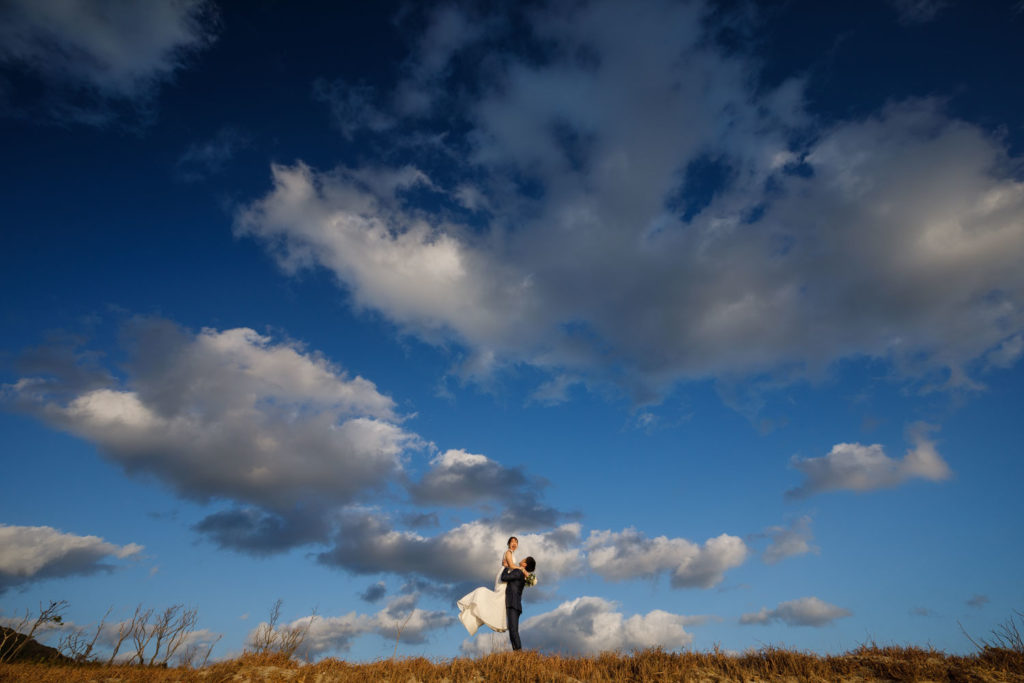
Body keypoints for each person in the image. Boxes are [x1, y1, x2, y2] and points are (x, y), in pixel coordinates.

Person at [457, 537, 518, 636]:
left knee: (500, 601)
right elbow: (511, 565)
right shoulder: (508, 552)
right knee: (498, 599)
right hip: (503, 577)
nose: (514, 543)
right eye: (512, 542)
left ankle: (478, 619)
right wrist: (522, 569)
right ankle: (479, 599)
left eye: (516, 542)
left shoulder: (512, 554)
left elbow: (509, 564)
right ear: (508, 544)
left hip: (506, 576)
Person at [501, 556, 536, 651]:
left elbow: (504, 577)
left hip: (513, 603)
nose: (522, 559)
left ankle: (519, 654)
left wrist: (506, 567)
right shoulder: (522, 575)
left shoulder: (518, 572)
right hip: (515, 604)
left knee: (513, 631)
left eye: (524, 559)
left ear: (525, 564)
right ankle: (517, 653)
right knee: (512, 631)